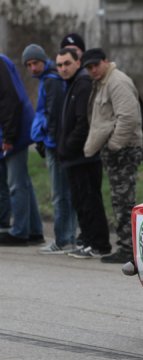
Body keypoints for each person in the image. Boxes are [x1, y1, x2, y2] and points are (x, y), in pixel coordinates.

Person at [82, 48, 142, 263]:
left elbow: (128, 117)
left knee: (124, 201)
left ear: (105, 61)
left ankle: (129, 249)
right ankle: (126, 246)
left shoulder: (117, 82)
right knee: (119, 200)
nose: (93, 70)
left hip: (124, 150)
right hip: (117, 150)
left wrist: (114, 145)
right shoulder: (103, 82)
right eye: (89, 67)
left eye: (96, 65)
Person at [56, 47, 111, 259]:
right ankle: (88, 241)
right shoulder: (72, 85)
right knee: (81, 202)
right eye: (59, 65)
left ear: (77, 63)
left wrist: (67, 147)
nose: (63, 68)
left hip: (84, 157)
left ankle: (98, 244)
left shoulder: (82, 85)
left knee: (89, 201)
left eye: (67, 63)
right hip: (73, 158)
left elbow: (83, 123)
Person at [23, 43, 76, 254]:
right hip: (55, 143)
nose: (33, 68)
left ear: (44, 60)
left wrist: (49, 142)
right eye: (29, 65)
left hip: (55, 146)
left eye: (35, 63)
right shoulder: (48, 79)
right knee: (64, 193)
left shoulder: (51, 81)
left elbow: (54, 114)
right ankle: (68, 237)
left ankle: (62, 240)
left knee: (60, 194)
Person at [0, 53, 43, 246]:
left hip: (14, 131)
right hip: (12, 129)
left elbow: (10, 100)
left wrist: (9, 136)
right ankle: (34, 231)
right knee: (22, 181)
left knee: (16, 183)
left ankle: (19, 232)